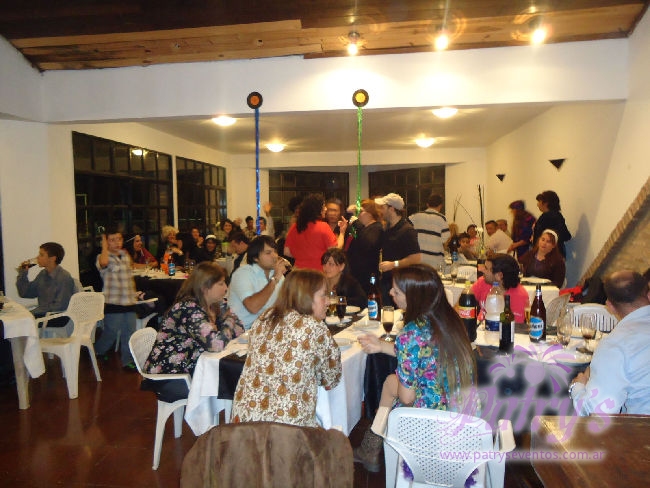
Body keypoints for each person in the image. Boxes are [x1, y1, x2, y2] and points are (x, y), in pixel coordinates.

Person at [355, 264, 477, 472]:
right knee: (391, 383)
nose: (390, 293)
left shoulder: (411, 333)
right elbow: (425, 355)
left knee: (392, 389)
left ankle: (372, 445)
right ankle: (371, 446)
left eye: (397, 291)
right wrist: (382, 346)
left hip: (429, 428)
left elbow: (407, 398)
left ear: (414, 297)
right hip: (465, 421)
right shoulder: (450, 321)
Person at [231, 268, 342, 427]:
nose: (328, 302)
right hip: (287, 428)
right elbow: (331, 379)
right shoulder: (314, 328)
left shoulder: (265, 317)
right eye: (323, 295)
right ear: (306, 296)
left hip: (245, 421)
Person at [143, 262, 244, 402]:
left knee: (231, 380)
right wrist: (229, 321)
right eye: (221, 284)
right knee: (227, 384)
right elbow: (216, 345)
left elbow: (239, 329)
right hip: (170, 374)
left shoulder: (215, 304)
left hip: (191, 365)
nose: (226, 288)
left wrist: (228, 322)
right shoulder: (189, 308)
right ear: (205, 287)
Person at [569, 271, 650, 416]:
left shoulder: (616, 344)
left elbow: (595, 412)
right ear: (648, 295)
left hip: (641, 428)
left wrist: (577, 386)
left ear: (610, 306)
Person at [94, 226, 138, 369]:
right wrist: (104, 246)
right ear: (106, 242)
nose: (117, 242)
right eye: (112, 240)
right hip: (113, 301)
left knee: (129, 331)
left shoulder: (125, 255)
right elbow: (103, 263)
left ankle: (127, 360)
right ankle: (99, 350)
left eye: (119, 239)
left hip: (129, 300)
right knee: (111, 332)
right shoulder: (102, 257)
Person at [228, 235, 289, 329]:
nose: (275, 256)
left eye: (275, 251)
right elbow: (253, 307)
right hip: (243, 329)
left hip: (267, 326)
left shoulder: (276, 274)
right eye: (268, 253)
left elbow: (285, 302)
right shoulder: (243, 274)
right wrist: (275, 279)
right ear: (255, 258)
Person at [375, 193, 421, 305]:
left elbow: (416, 258)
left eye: (383, 207)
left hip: (400, 283)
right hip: (387, 280)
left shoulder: (407, 230)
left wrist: (393, 264)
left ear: (391, 209)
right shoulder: (388, 228)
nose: (380, 211)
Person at [16, 242, 76, 327]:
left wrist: (35, 312)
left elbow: (61, 306)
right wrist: (23, 274)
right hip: (44, 314)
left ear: (52, 258)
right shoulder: (43, 274)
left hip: (58, 317)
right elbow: (25, 293)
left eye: (41, 255)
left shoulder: (64, 277)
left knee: (21, 323)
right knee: (18, 321)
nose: (37, 257)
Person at [284, 193, 347, 270]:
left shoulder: (295, 227)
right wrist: (342, 232)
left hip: (298, 272)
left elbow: (287, 252)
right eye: (323, 207)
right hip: (317, 272)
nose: (326, 209)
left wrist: (303, 256)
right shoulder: (323, 227)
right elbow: (335, 250)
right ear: (317, 209)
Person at [471, 253, 530, 322]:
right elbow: (464, 305)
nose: (482, 270)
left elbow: (514, 326)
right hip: (480, 327)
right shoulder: (482, 282)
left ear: (499, 275)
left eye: (486, 268)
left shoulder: (519, 296)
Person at [346, 198, 384, 294]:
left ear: (370, 213)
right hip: (356, 274)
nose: (358, 214)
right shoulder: (362, 228)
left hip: (368, 276)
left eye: (361, 211)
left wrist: (356, 223)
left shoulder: (377, 227)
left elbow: (368, 244)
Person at [408, 193, 449, 269]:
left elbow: (406, 231)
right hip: (435, 260)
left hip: (418, 259)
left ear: (427, 204)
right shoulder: (442, 218)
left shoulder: (415, 216)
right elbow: (445, 239)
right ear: (440, 205)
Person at [533, 190, 572, 257]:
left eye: (539, 201)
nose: (537, 204)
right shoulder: (558, 215)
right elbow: (566, 236)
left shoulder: (545, 218)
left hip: (547, 255)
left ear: (546, 203)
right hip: (558, 254)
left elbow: (538, 238)